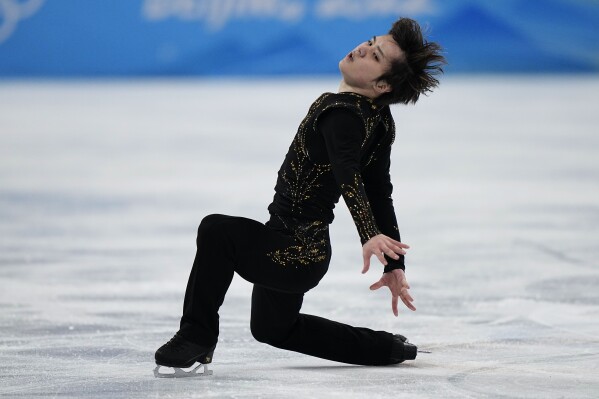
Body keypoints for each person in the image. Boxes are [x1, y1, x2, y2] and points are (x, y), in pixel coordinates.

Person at [154, 17, 445, 377]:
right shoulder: (378, 119)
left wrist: (370, 236)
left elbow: (348, 173)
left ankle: (196, 337)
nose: (363, 48)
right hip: (301, 251)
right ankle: (385, 347)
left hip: (291, 250)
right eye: (370, 41)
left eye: (376, 54)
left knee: (216, 231)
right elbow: (380, 193)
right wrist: (394, 265)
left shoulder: (341, 113)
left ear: (382, 84)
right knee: (273, 328)